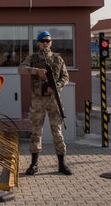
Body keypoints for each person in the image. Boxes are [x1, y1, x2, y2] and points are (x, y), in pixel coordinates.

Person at [18, 31, 72, 176]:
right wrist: (36, 71)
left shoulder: (57, 59)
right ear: (38, 43)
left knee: (57, 133)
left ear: (51, 42)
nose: (45, 43)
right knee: (36, 132)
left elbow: (65, 76)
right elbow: (21, 69)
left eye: (48, 40)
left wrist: (56, 86)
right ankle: (34, 164)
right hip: (38, 100)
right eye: (42, 41)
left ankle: (61, 164)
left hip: (54, 100)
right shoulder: (33, 58)